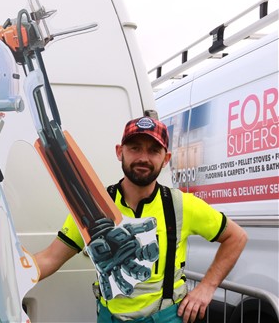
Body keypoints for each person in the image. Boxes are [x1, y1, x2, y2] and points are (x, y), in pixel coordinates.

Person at [34, 116, 248, 323]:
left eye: (154, 150)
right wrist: (16, 274)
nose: (143, 158)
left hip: (166, 317)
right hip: (110, 317)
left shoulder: (181, 205)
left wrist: (207, 287)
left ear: (166, 158)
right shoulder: (93, 206)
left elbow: (236, 237)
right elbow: (50, 258)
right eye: (135, 148)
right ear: (120, 152)